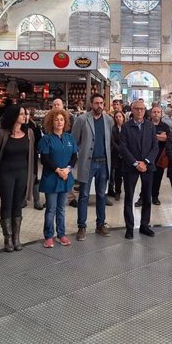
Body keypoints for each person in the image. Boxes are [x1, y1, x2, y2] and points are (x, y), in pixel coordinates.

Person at [71, 93, 114, 240]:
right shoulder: (82, 119)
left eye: (101, 103)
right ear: (91, 104)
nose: (99, 106)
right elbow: (74, 141)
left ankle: (100, 224)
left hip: (103, 163)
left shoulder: (109, 120)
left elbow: (111, 141)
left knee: (102, 195)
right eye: (96, 103)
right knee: (83, 195)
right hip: (88, 163)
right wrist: (78, 157)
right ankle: (81, 227)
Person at [0, 105, 35, 252]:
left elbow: (32, 156)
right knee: (7, 204)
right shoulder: (1, 134)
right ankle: (7, 237)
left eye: (26, 114)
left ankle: (16, 237)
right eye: (22, 114)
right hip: (5, 173)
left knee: (18, 203)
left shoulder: (29, 133)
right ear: (14, 116)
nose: (25, 116)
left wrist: (33, 176)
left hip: (22, 173)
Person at [39, 108, 78, 248]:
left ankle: (61, 234)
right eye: (56, 119)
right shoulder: (46, 139)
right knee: (51, 208)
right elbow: (45, 158)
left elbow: (74, 156)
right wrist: (57, 170)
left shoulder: (69, 138)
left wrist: (67, 169)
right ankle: (49, 236)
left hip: (66, 177)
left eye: (62, 119)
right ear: (51, 122)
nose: (59, 122)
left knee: (61, 208)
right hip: (51, 177)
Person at [119, 100, 158, 239]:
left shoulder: (150, 126)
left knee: (147, 197)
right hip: (131, 167)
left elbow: (155, 147)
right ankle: (129, 227)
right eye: (137, 109)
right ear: (132, 110)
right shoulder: (126, 127)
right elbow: (123, 148)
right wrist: (136, 163)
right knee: (129, 197)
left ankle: (144, 225)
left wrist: (146, 162)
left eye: (142, 109)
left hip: (148, 166)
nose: (140, 111)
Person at [148, 106, 170, 206]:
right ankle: (143, 197)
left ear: (161, 114)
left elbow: (166, 139)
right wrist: (159, 136)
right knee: (147, 178)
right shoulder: (146, 125)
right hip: (147, 157)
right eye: (154, 112)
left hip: (160, 157)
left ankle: (155, 197)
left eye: (158, 112)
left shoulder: (165, 126)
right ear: (151, 114)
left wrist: (153, 136)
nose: (156, 113)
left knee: (157, 178)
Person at [109, 110, 126, 201]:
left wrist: (124, 151)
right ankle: (117, 191)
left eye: (120, 116)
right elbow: (113, 142)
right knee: (117, 175)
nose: (118, 118)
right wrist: (120, 150)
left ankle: (128, 192)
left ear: (123, 117)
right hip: (116, 154)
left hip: (126, 155)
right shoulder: (113, 129)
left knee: (127, 175)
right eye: (116, 117)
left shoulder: (127, 128)